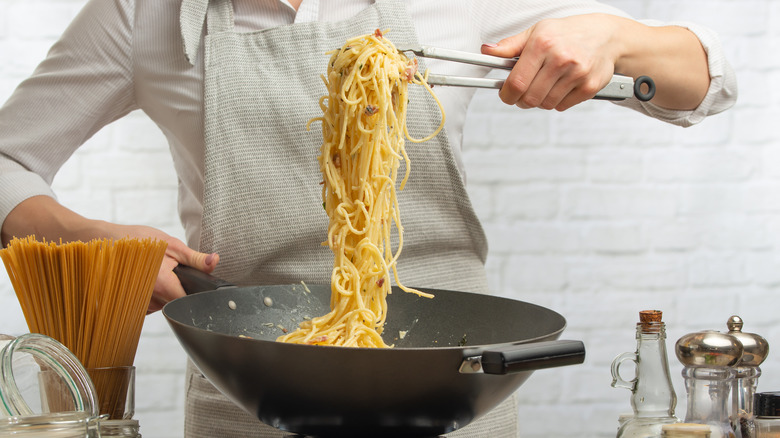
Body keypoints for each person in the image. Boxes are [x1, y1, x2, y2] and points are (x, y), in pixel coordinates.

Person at [0, 0, 736, 436]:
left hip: (456, 391)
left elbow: (706, 85)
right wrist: (94, 239)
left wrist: (612, 37)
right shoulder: (143, 14)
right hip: (251, 398)